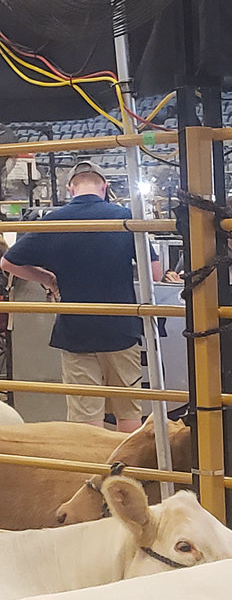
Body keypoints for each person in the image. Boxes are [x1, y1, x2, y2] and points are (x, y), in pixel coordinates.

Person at [0, 168, 160, 431]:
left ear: (70, 190)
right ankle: (129, 471)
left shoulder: (55, 221)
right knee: (128, 412)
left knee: (86, 417)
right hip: (120, 328)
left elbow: (8, 262)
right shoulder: (124, 218)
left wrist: (47, 279)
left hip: (75, 330)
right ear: (104, 187)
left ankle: (91, 470)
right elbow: (154, 272)